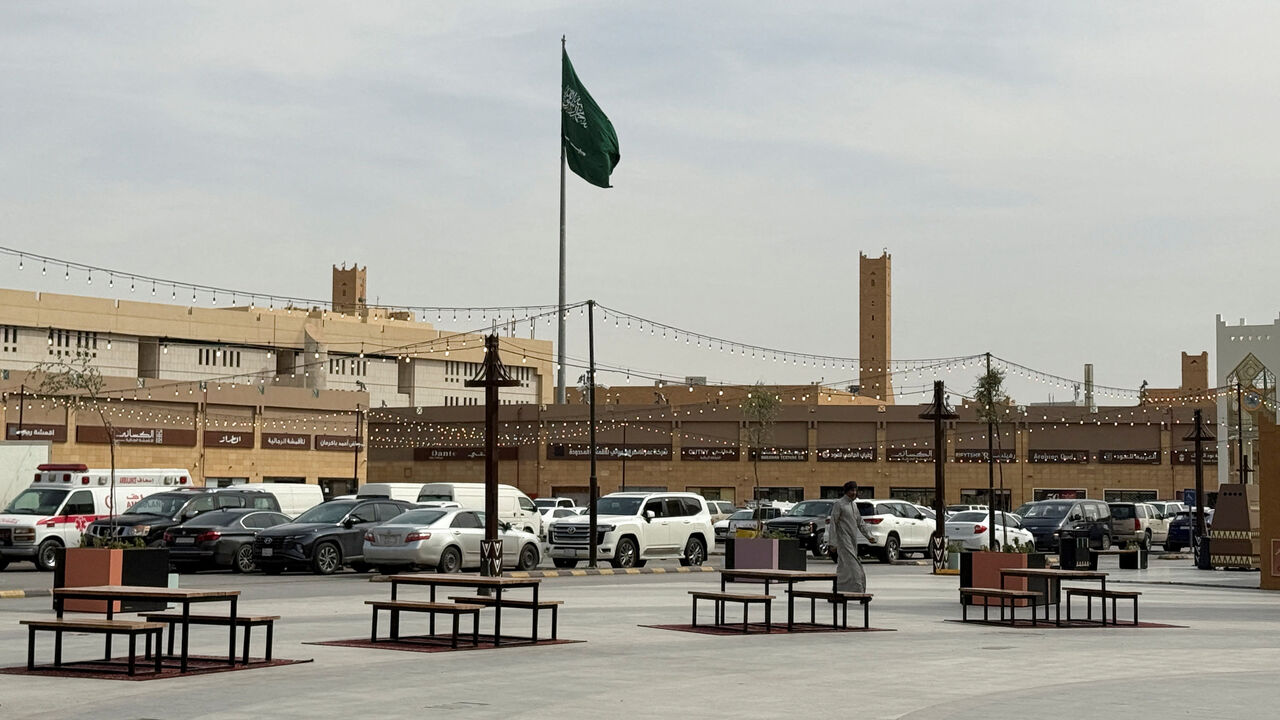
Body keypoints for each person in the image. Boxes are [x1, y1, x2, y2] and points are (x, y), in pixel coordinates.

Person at [826, 480, 876, 593]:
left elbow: (860, 522)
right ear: (846, 491)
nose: (854, 493)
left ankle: (837, 590)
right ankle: (860, 591)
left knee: (844, 568)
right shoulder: (839, 504)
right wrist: (832, 543)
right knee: (854, 566)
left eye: (855, 490)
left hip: (852, 541)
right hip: (843, 541)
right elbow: (833, 523)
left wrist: (869, 536)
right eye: (851, 490)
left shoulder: (853, 505)